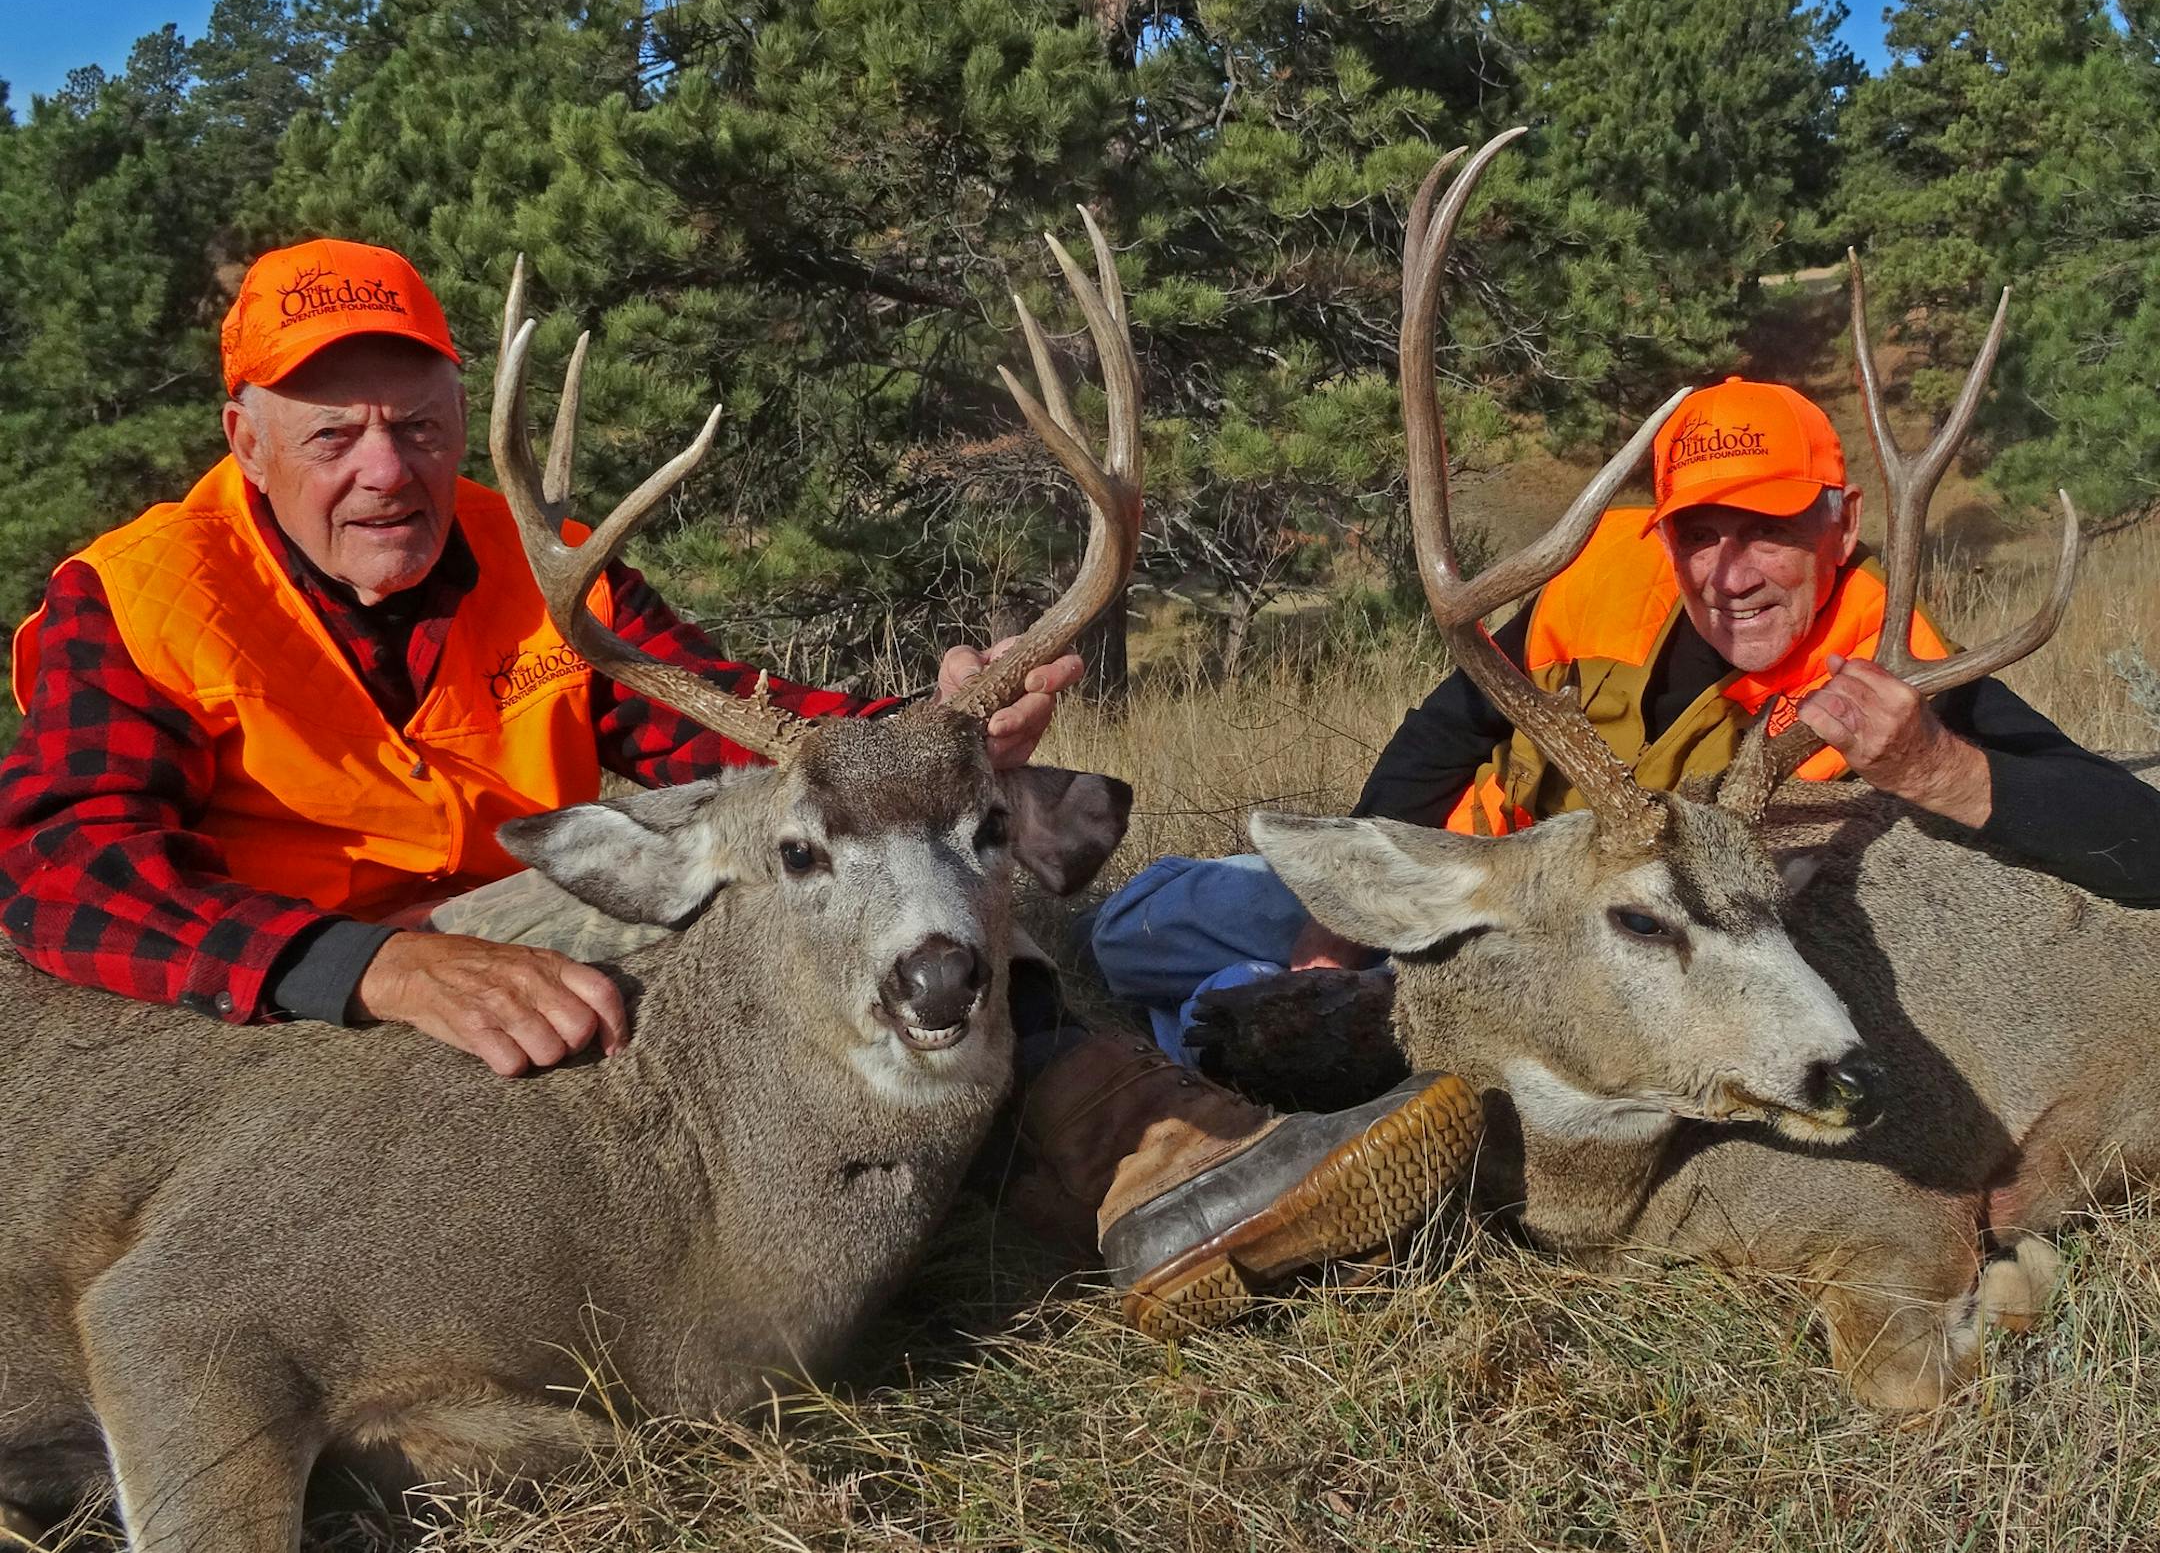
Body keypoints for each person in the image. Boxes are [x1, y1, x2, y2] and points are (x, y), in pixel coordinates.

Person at [0, 237, 1476, 1337]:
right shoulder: (139, 601)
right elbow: (64, 871)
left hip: (534, 922)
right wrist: (370, 964)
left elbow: (755, 734)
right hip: (280, 1009)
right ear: (242, 436)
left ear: (459, 413)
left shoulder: (543, 565)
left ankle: (1129, 1144)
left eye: (418, 422)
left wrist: (933, 721)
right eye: (331, 432)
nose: (385, 468)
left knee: (900, 830)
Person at [1093, 376, 2160, 1038]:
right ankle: (1256, 1018)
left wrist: (1935, 765)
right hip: (1477, 888)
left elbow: (2142, 846)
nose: (1729, 572)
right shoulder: (1596, 574)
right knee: (1133, 928)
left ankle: (1232, 1042)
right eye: (1700, 531)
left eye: (1770, 527)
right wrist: (1338, 933)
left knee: (1233, 1007)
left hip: (1634, 977)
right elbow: (1442, 735)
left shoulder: (1903, 660)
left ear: (1843, 522)